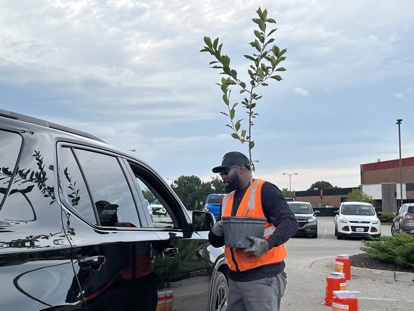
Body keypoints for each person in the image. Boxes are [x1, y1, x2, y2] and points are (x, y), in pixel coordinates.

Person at [208, 151, 298, 311]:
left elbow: (290, 223)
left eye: (225, 171)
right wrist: (215, 231)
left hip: (263, 278)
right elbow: (217, 242)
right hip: (235, 279)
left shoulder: (265, 190)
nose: (222, 176)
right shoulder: (227, 199)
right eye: (221, 173)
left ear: (242, 168)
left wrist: (267, 244)